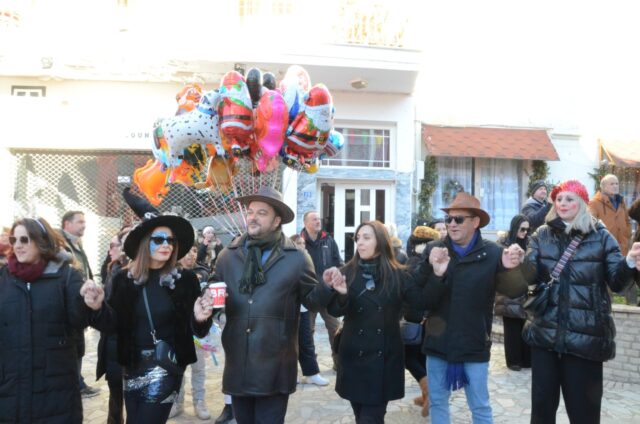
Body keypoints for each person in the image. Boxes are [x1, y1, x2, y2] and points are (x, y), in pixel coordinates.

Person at [84, 188, 214, 424]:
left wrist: (200, 318)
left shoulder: (185, 280)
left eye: (171, 240)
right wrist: (97, 308)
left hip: (165, 367)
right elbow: (112, 325)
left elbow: (196, 330)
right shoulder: (123, 279)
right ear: (145, 243)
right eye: (159, 239)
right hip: (131, 366)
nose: (167, 245)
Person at [521, 180, 640, 424]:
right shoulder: (541, 234)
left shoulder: (601, 236)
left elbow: (617, 283)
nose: (562, 203)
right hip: (545, 334)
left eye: (570, 199)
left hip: (586, 338)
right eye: (559, 199)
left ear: (583, 203)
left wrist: (628, 262)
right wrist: (516, 264)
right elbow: (529, 278)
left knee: (584, 413)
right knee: (541, 411)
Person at [215, 187, 335, 424]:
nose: (253, 217)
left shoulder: (297, 257)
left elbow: (311, 300)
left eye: (262, 213)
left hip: (275, 364)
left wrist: (327, 286)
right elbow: (214, 296)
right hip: (238, 363)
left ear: (276, 220)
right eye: (250, 212)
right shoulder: (227, 256)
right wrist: (206, 308)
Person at [415, 192, 526, 423]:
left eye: (459, 219)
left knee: (480, 407)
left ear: (475, 222)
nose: (452, 224)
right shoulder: (435, 250)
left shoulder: (493, 253)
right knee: (437, 403)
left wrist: (511, 268)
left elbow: (514, 292)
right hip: (438, 343)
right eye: (449, 219)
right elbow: (422, 301)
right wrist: (435, 272)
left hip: (474, 343)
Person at [322, 220, 423, 423]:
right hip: (353, 356)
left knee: (371, 418)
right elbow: (334, 310)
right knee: (360, 414)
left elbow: (418, 307)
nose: (359, 242)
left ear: (381, 241)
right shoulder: (347, 271)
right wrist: (340, 294)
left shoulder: (399, 274)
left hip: (384, 358)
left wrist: (430, 271)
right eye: (358, 238)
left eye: (366, 237)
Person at [0, 217, 94, 423]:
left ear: (41, 241)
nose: (17, 245)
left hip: (55, 390)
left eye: (24, 239)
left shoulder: (66, 276)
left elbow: (80, 321)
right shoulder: (3, 278)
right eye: (14, 240)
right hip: (10, 389)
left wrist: (92, 304)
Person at [60, 210, 100, 398]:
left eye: (84, 222)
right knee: (72, 347)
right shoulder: (61, 244)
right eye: (80, 222)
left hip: (79, 302)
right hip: (68, 303)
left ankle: (77, 382)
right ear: (67, 224)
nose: (84, 225)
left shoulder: (77, 244)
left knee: (78, 346)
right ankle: (75, 385)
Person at [170, 244, 212, 420]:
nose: (190, 255)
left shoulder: (203, 272)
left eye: (193, 251)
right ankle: (177, 402)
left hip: (197, 331)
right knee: (177, 370)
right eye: (186, 252)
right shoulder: (171, 275)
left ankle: (199, 401)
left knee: (199, 369)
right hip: (177, 332)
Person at [404, 224, 441, 417]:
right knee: (421, 357)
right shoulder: (432, 263)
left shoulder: (414, 262)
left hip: (416, 317)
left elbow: (412, 292)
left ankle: (428, 392)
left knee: (409, 357)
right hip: (430, 317)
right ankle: (426, 395)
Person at [300, 210, 343, 370]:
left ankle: (339, 364)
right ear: (305, 223)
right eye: (314, 219)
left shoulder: (329, 240)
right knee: (307, 333)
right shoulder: (298, 242)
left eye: (319, 219)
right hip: (309, 295)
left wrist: (339, 277)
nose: (318, 221)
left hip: (328, 294)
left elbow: (338, 262)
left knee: (335, 329)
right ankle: (311, 369)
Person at [96, 228, 130, 424]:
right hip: (112, 343)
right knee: (115, 394)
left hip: (126, 345)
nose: (109, 250)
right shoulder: (112, 270)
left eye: (113, 246)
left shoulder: (131, 274)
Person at [290, 234, 330, 386]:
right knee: (291, 343)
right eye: (298, 243)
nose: (302, 245)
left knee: (307, 341)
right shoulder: (287, 260)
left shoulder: (306, 259)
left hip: (304, 307)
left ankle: (312, 373)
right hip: (290, 308)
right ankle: (291, 373)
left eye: (303, 243)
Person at [588, 174, 634, 304]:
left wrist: (627, 234)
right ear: (603, 186)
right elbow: (590, 225)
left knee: (627, 277)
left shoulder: (621, 201)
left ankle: (632, 306)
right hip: (605, 249)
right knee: (607, 280)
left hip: (622, 247)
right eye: (612, 184)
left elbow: (627, 221)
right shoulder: (594, 203)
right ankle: (608, 306)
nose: (615, 186)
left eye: (617, 183)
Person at [494, 214, 532, 371]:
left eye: (527, 230)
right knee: (512, 329)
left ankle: (527, 360)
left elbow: (533, 266)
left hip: (525, 291)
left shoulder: (530, 244)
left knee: (526, 327)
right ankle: (513, 361)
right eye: (522, 229)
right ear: (515, 227)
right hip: (508, 291)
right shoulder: (503, 243)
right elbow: (498, 265)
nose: (525, 232)